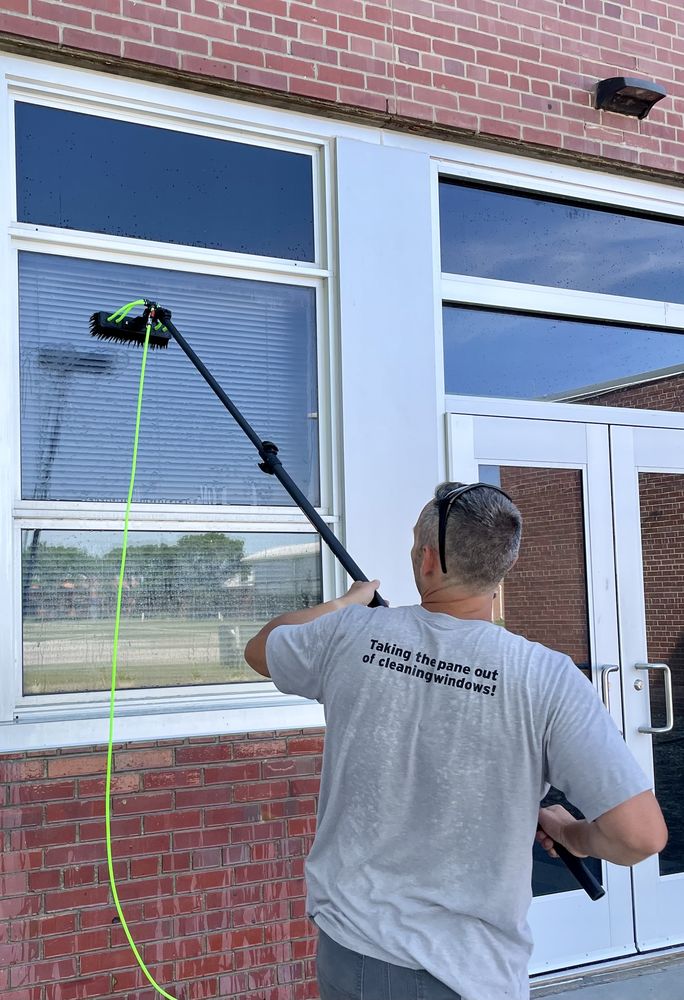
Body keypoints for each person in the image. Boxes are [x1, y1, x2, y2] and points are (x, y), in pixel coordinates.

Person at [244, 482, 667, 1000]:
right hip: (470, 973)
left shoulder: (348, 634)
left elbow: (261, 648)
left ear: (426, 559)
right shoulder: (545, 678)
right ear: (504, 567)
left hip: (350, 954)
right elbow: (639, 837)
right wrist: (573, 833)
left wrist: (346, 603)